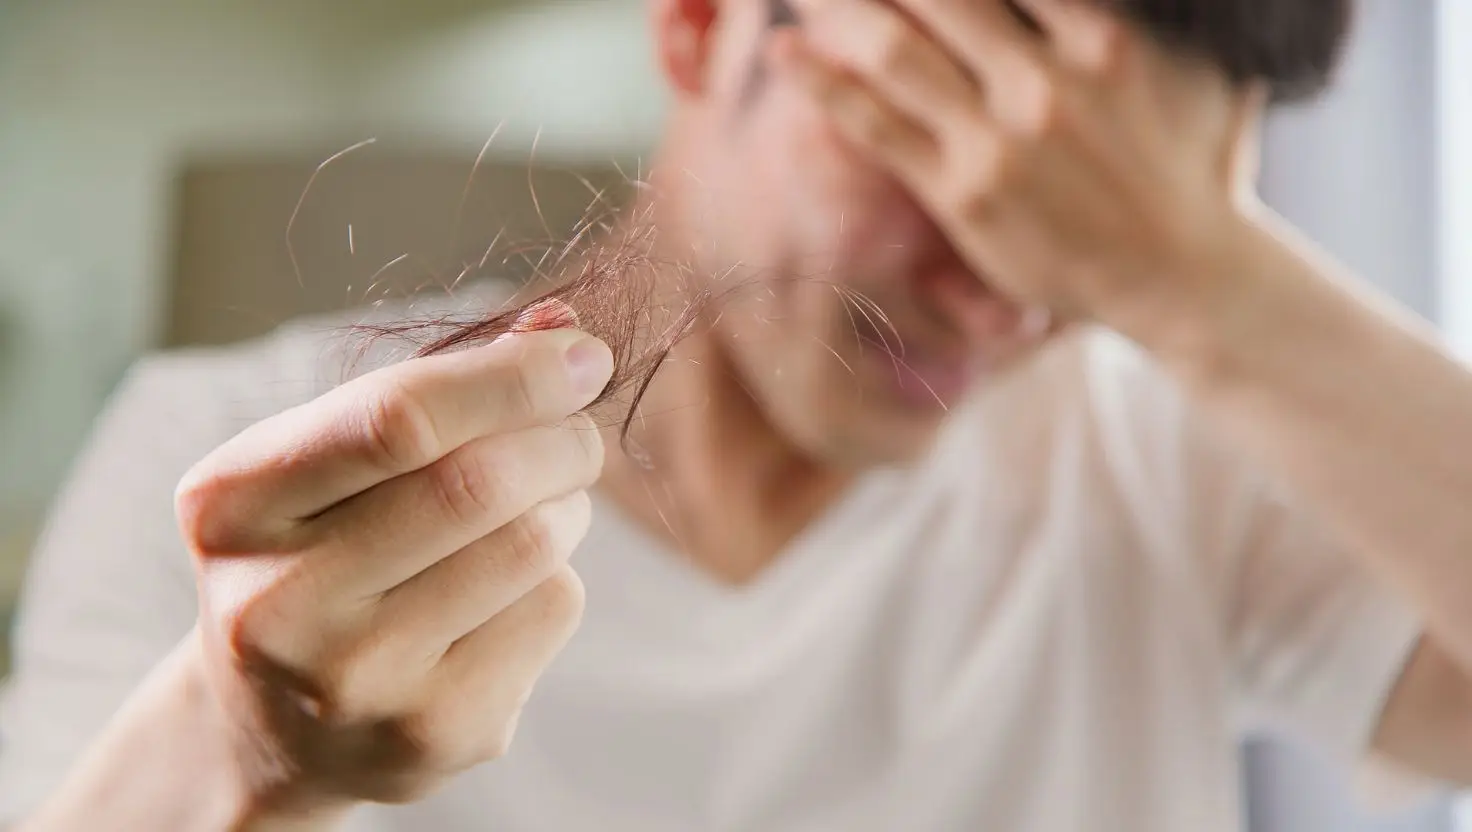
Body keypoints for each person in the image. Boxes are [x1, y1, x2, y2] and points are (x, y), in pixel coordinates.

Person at [4, 0, 1472, 829]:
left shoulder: (1187, 468)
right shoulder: (219, 457)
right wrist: (245, 755)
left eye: (1104, 216)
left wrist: (1210, 290)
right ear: (705, 29)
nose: (1006, 295)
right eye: (952, 145)